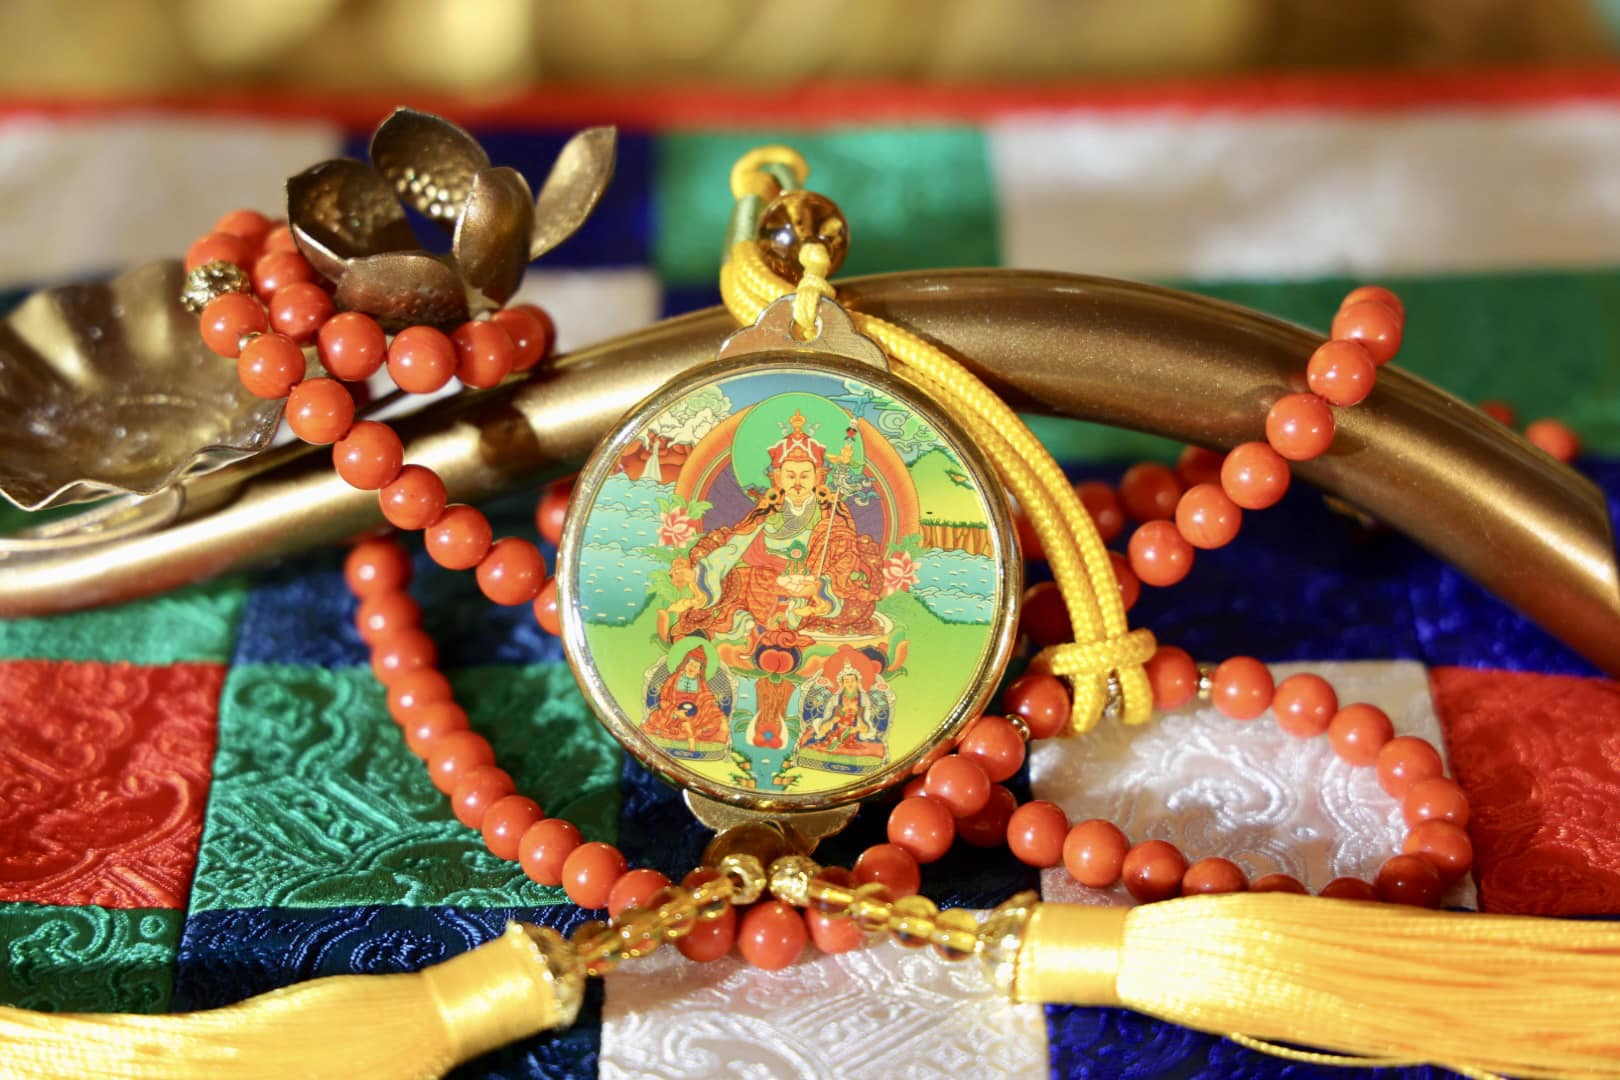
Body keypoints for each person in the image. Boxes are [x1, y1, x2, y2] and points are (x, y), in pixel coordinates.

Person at [668, 409, 882, 641]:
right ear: (778, 478)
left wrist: (820, 585)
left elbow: (845, 555)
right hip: (766, 578)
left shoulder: (830, 514)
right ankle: (749, 621)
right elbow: (734, 547)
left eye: (805, 476)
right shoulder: (768, 509)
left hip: (810, 581)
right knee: (740, 581)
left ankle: (778, 619)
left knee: (855, 603)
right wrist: (699, 573)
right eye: (790, 475)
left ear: (818, 477)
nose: (798, 483)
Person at [643, 648, 728, 752]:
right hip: (673, 713)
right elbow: (664, 699)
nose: (692, 668)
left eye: (696, 666)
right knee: (655, 719)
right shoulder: (673, 679)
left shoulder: (701, 683)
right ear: (685, 664)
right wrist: (675, 712)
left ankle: (688, 733)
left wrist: (716, 714)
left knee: (716, 721)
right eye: (690, 664)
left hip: (696, 715)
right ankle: (690, 736)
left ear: (700, 670)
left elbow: (708, 700)